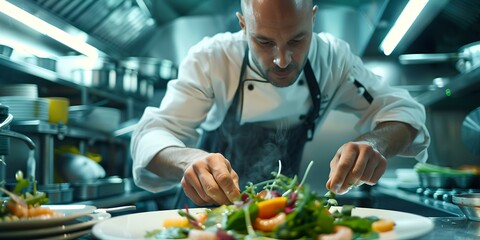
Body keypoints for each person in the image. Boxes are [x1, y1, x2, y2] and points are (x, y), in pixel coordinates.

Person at [131, 0, 430, 207]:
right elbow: (151, 135)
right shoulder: (212, 59)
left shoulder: (332, 59)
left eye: (298, 40)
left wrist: (376, 143)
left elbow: (404, 110)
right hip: (206, 218)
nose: (282, 60)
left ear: (312, 18)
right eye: (264, 42)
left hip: (279, 218)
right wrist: (188, 161)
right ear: (243, 25)